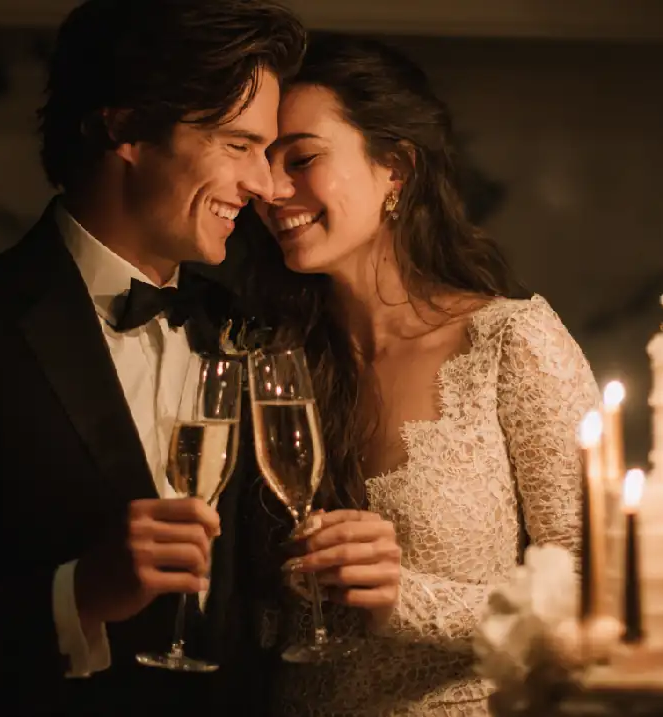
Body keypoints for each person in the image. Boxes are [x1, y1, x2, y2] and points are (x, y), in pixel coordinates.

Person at [0, 2, 308, 715]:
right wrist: (75, 596)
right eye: (238, 145)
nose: (265, 184)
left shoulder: (246, 326)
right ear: (125, 128)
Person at [240, 34, 599, 716]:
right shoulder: (271, 358)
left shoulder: (511, 342)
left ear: (396, 169)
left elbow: (597, 594)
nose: (273, 190)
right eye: (263, 164)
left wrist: (405, 598)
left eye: (303, 159)